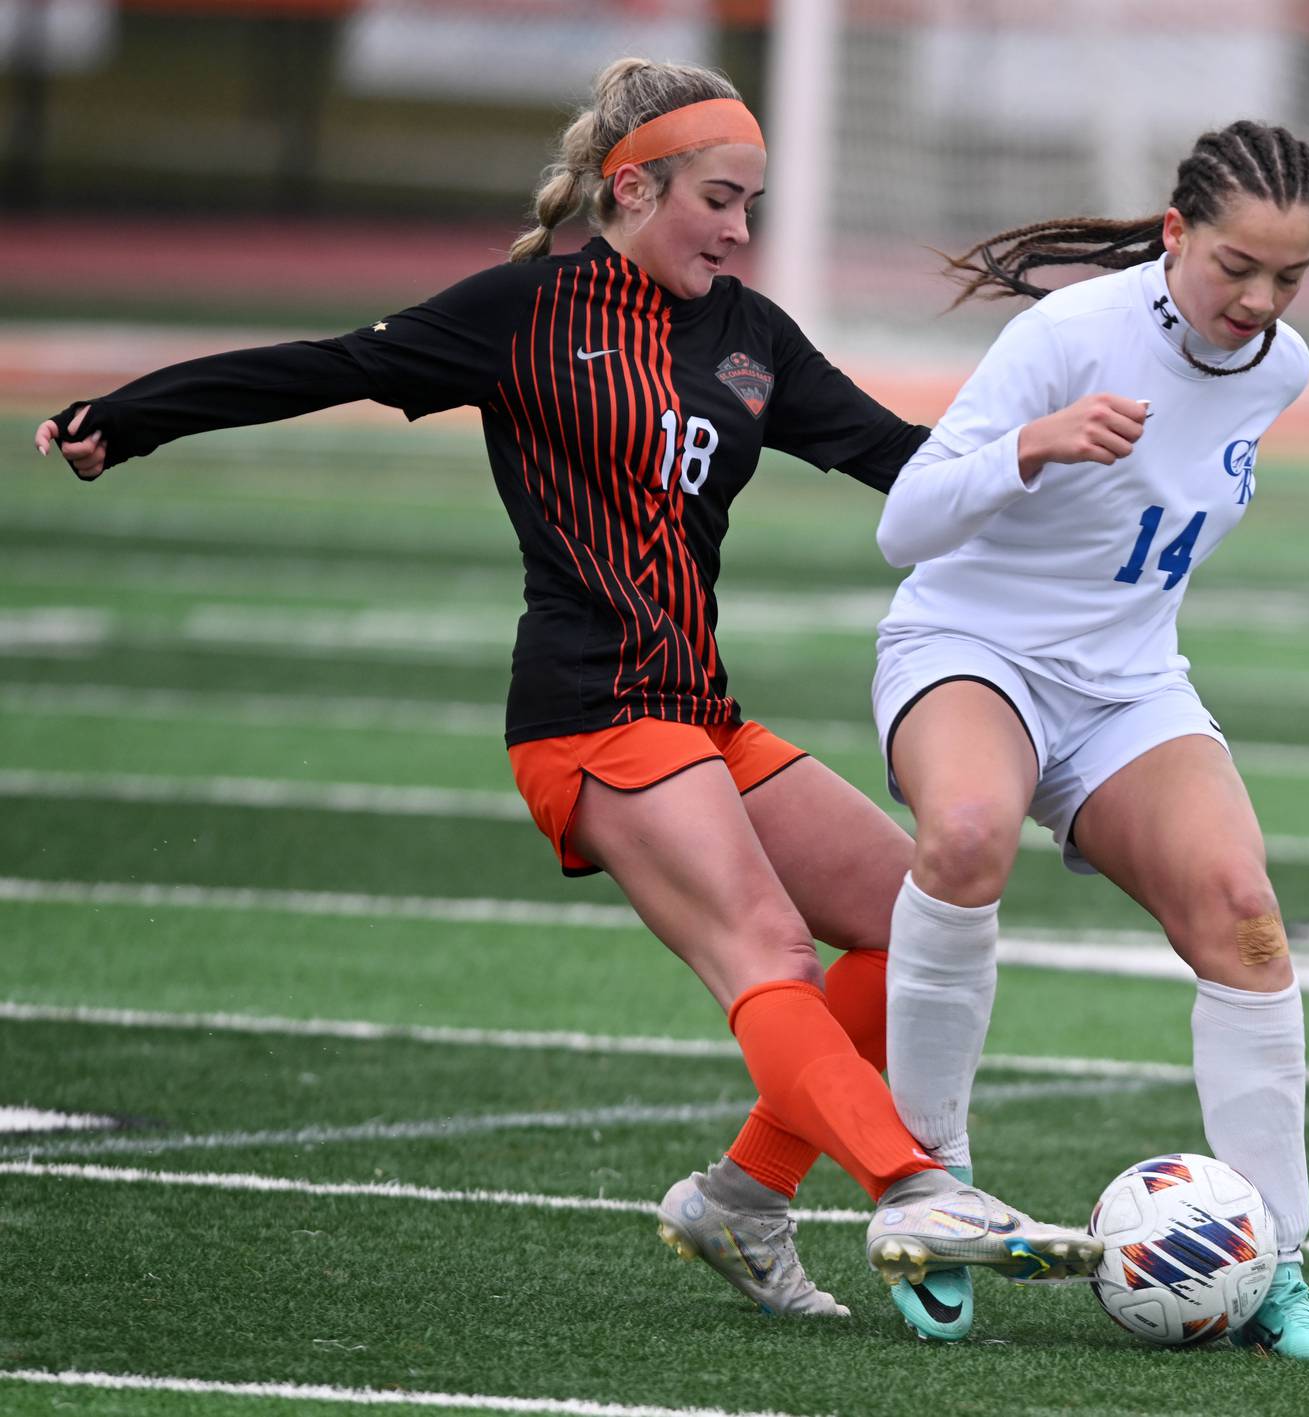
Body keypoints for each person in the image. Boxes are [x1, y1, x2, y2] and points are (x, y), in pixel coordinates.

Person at [33, 57, 1100, 1333]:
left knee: (902, 917)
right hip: (589, 711)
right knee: (766, 948)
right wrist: (134, 418)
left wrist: (1034, 462)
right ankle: (915, 1185)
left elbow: (898, 463)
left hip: (699, 710)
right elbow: (329, 365)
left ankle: (745, 1197)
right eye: (718, 199)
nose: (741, 230)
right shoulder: (526, 309)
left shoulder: (749, 334)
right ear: (631, 185)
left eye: (752, 203)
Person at [870, 119, 1309, 1361]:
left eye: (1289, 277)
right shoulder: (1062, 336)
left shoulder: (1281, 365)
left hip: (1131, 686)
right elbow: (908, 525)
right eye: (1235, 267)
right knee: (969, 834)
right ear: (1174, 234)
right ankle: (932, 1201)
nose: (1259, 301)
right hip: (972, 651)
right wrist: (1029, 449)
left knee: (1245, 913)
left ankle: (1278, 1268)